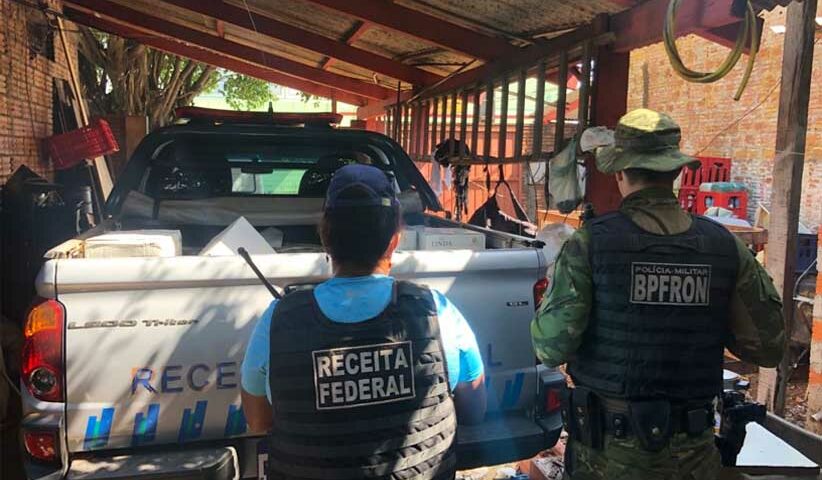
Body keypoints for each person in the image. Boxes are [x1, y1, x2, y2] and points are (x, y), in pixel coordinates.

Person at [531, 109, 785, 480]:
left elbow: (551, 348)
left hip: (605, 461)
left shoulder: (589, 245)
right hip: (693, 459)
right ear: (676, 171)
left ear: (620, 172)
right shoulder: (724, 246)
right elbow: (767, 347)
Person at [241, 164, 486, 480]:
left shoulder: (277, 321)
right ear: (394, 240)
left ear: (325, 237)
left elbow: (259, 421)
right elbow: (474, 411)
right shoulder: (438, 312)